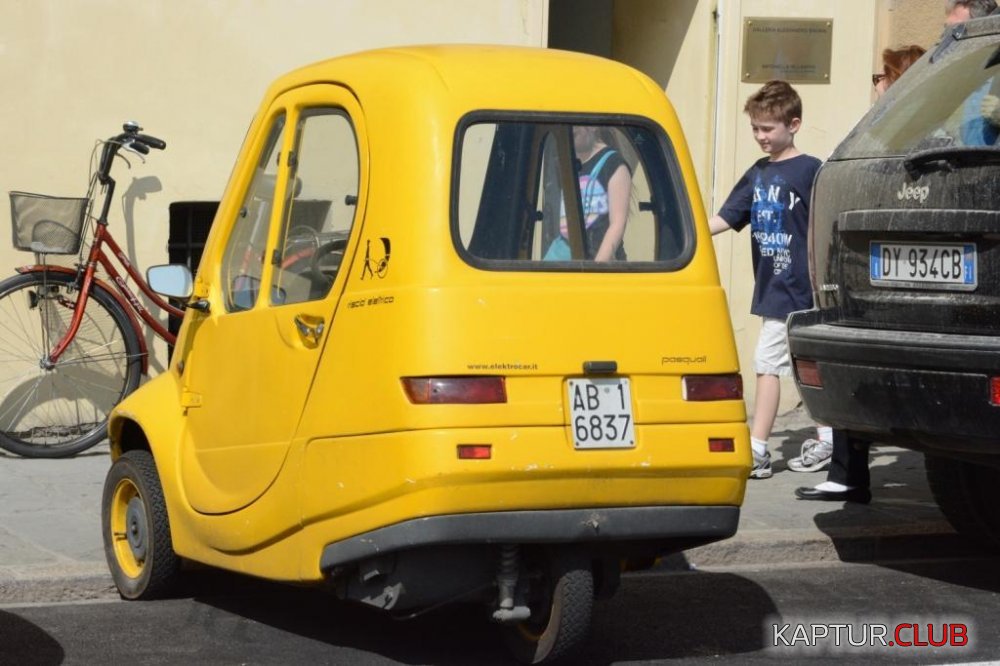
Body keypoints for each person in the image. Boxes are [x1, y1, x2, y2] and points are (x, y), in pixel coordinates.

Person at [795, 45, 927, 503]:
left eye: (881, 76)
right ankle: (847, 474)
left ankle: (848, 473)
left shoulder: (913, 133)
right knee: (851, 359)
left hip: (898, 272)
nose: (876, 85)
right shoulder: (882, 130)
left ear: (899, 81)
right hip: (876, 266)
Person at [708, 80, 826, 480]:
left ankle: (758, 448)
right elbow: (728, 217)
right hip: (772, 285)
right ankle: (828, 438)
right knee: (801, 363)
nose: (760, 136)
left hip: (799, 287)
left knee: (768, 363)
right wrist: (690, 231)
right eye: (755, 128)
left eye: (768, 128)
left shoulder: (810, 170)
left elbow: (824, 223)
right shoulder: (758, 173)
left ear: (793, 125)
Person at [547, 125, 631, 261]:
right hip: (569, 255)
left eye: (575, 124)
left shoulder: (614, 165)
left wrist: (598, 267)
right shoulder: (569, 164)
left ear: (593, 127)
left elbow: (617, 225)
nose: (570, 129)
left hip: (600, 260)